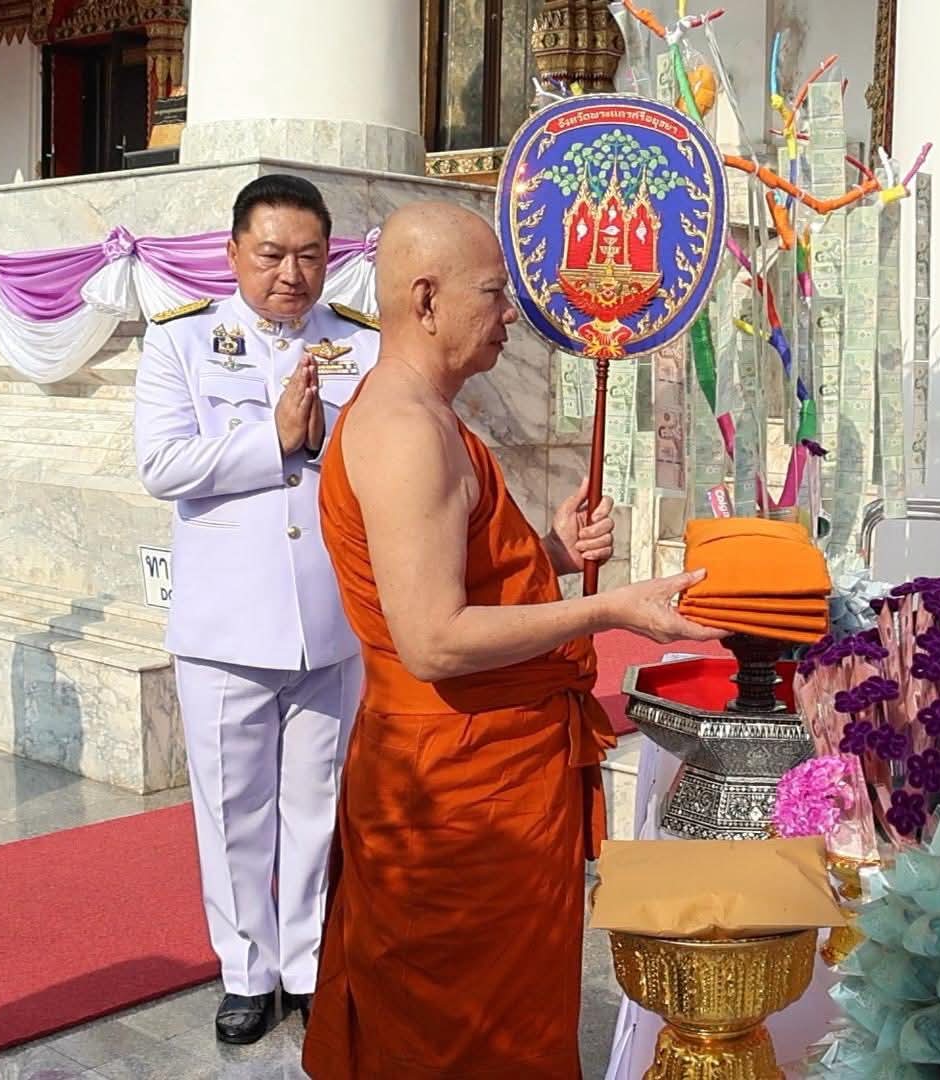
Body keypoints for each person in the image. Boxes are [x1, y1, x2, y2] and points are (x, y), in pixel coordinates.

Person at [303, 201, 723, 1077]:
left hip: (490, 766)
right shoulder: (406, 431)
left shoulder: (424, 413)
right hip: (456, 784)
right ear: (426, 300)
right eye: (493, 294)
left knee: (506, 1017)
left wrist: (551, 556)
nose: (511, 316)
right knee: (458, 1038)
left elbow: (453, 578)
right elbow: (434, 640)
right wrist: (609, 610)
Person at [133, 174, 378, 1044]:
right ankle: (246, 973)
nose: (290, 274)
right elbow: (162, 463)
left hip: (329, 621)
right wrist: (271, 438)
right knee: (234, 812)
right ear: (233, 251)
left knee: (317, 803)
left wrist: (320, 435)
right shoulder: (182, 341)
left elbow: (383, 459)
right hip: (227, 625)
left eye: (309, 256)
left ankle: (308, 965)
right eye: (271, 254)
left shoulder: (361, 345)